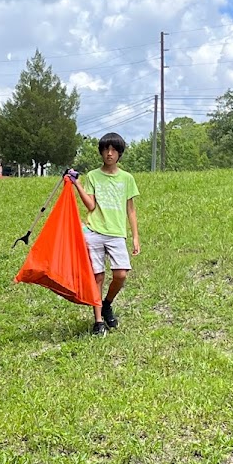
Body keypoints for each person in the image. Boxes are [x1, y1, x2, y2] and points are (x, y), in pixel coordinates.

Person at [66, 132, 141, 336]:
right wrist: (77, 184)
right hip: (94, 231)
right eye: (106, 149)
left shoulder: (127, 179)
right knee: (97, 277)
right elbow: (90, 206)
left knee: (121, 274)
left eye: (114, 150)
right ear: (101, 152)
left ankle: (107, 303)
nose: (109, 153)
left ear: (119, 153)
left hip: (116, 233)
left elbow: (131, 210)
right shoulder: (92, 176)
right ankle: (98, 321)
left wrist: (135, 236)